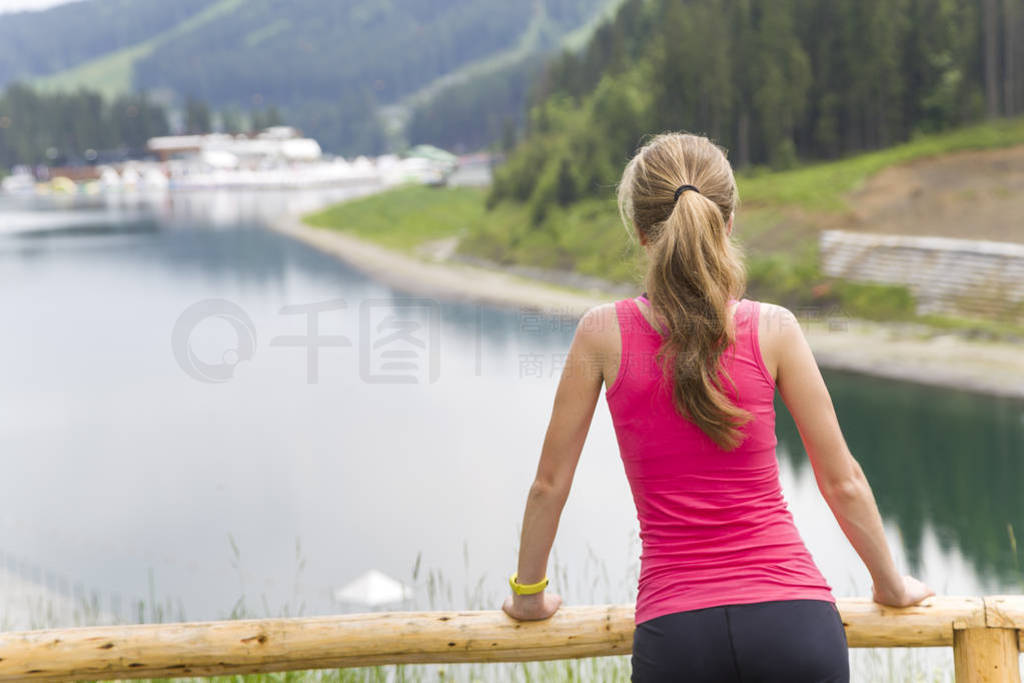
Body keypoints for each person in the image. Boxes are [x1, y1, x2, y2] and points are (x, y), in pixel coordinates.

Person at [500, 132, 934, 681]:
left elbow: (549, 484)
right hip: (795, 625)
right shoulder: (775, 328)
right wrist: (890, 586)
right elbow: (841, 479)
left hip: (677, 637)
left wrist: (529, 596)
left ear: (639, 231)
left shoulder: (600, 334)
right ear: (728, 223)